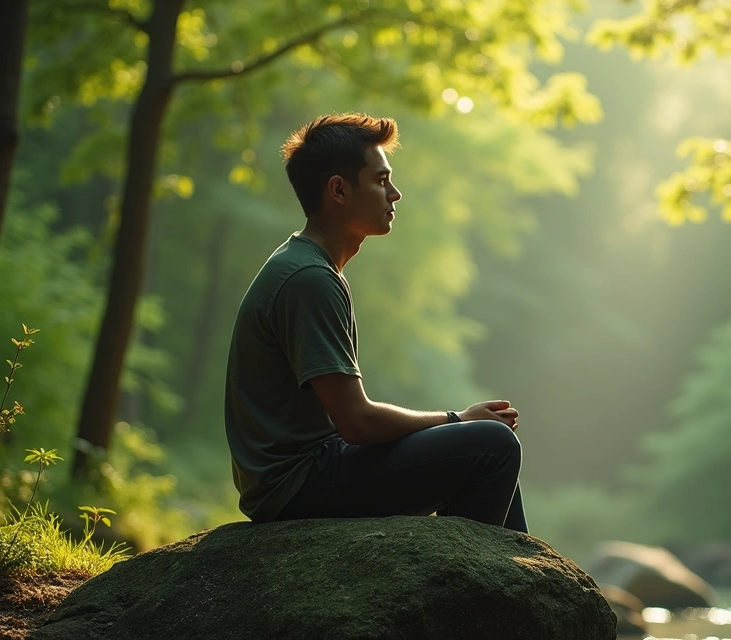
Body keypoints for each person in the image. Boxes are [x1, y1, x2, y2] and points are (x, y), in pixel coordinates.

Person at [223, 113, 527, 532]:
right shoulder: (308, 278)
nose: (395, 194)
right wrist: (457, 419)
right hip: (299, 485)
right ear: (339, 190)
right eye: (381, 180)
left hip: (311, 471)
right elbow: (357, 422)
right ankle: (474, 591)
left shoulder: (309, 267)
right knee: (491, 445)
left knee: (484, 445)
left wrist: (461, 426)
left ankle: (512, 583)